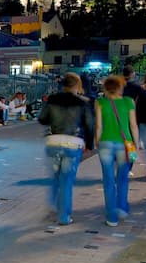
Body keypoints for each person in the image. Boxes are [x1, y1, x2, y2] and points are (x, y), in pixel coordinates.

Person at [38, 72, 95, 226]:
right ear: (77, 86)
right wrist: (89, 145)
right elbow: (90, 125)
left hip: (53, 142)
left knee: (55, 176)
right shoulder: (83, 103)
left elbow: (42, 119)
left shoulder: (53, 99)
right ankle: (64, 216)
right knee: (67, 180)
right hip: (73, 143)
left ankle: (53, 204)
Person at [95, 75, 139, 227]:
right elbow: (133, 125)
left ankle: (111, 217)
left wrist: (97, 142)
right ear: (120, 87)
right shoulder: (128, 102)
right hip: (124, 144)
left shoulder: (100, 103)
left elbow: (99, 126)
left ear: (106, 88)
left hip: (105, 143)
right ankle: (122, 208)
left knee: (108, 181)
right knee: (123, 177)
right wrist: (136, 144)